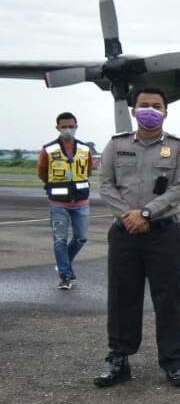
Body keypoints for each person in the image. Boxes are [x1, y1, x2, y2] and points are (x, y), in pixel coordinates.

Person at [93, 88, 180, 388]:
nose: (151, 110)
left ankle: (174, 362)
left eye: (157, 106)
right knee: (122, 297)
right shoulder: (116, 144)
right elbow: (105, 184)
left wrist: (146, 214)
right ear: (133, 111)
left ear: (166, 111)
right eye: (144, 105)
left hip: (163, 232)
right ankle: (119, 359)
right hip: (125, 232)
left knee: (168, 299)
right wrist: (129, 216)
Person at [37, 112, 93, 290]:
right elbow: (42, 172)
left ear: (76, 126)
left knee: (81, 237)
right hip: (58, 202)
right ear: (57, 128)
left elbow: (89, 171)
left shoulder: (85, 149)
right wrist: (53, 185)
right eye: (64, 126)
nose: (68, 129)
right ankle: (65, 275)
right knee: (60, 239)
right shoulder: (48, 149)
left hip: (81, 201)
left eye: (71, 126)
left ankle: (64, 263)